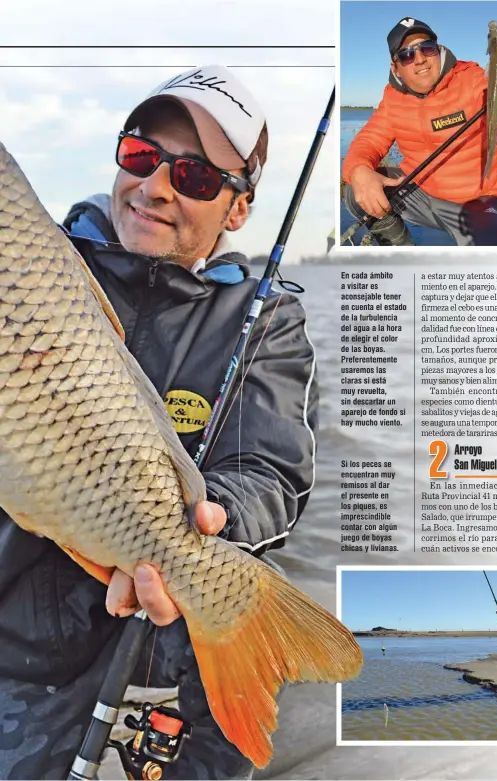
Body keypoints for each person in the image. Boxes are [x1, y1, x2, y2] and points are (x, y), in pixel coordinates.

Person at [0, 65, 318, 780]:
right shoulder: (43, 264)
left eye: (196, 177)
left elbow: (270, 473)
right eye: (141, 156)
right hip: (22, 640)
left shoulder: (265, 319)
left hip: (170, 653)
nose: (155, 186)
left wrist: (207, 524)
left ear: (238, 210)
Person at [341, 17, 497, 246]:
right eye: (406, 54)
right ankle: (403, 254)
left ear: (438, 50)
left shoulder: (473, 78)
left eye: (427, 48)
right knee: (356, 189)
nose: (420, 59)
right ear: (396, 68)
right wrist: (359, 170)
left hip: (478, 203)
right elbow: (369, 140)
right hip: (419, 196)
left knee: (495, 264)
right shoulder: (393, 99)